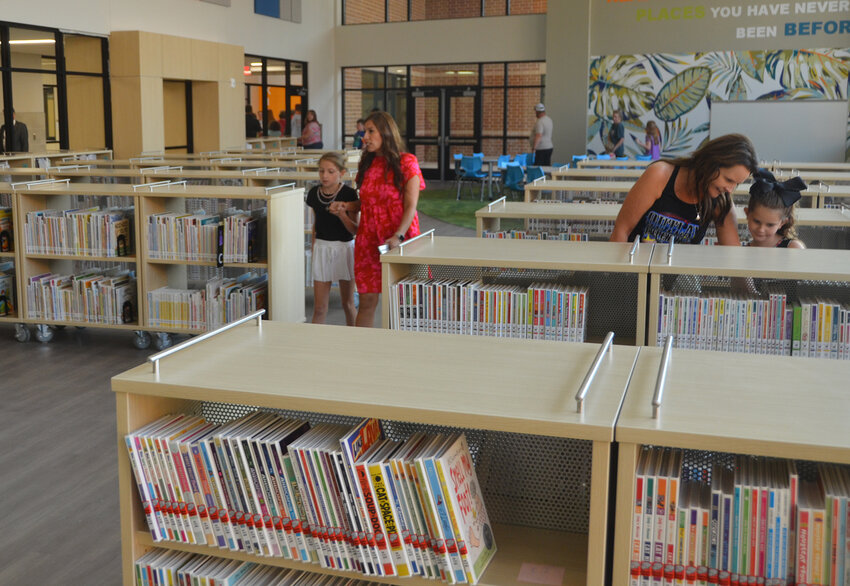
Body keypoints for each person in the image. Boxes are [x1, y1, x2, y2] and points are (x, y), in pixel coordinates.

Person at [333, 111, 425, 328]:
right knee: (367, 300)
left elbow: (411, 206)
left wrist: (398, 235)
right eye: (365, 131)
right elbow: (366, 202)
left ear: (386, 132)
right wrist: (348, 206)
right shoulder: (367, 163)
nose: (365, 136)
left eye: (371, 131)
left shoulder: (407, 162)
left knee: (405, 304)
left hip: (401, 240)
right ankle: (363, 354)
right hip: (369, 241)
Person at [610, 133, 758, 245]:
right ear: (710, 163)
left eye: (736, 184)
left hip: (677, 282)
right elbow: (621, 230)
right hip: (635, 271)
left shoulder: (721, 201)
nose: (730, 189)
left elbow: (733, 257)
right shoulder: (660, 175)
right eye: (728, 180)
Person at [307, 152, 360, 325]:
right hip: (322, 248)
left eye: (330, 171)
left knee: (348, 303)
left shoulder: (350, 194)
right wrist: (314, 249)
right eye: (321, 171)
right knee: (320, 308)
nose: (324, 176)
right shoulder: (314, 193)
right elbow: (316, 225)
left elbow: (354, 229)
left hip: (345, 249)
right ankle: (314, 345)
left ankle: (354, 341)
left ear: (341, 173)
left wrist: (342, 215)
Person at [744, 168, 806, 249]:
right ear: (747, 213)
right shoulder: (740, 248)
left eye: (770, 225)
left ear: (782, 223)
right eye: (757, 221)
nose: (761, 229)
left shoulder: (793, 248)